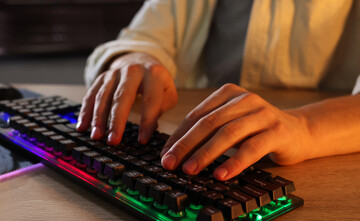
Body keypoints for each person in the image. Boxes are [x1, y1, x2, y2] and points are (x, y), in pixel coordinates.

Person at [76, 0, 360, 181]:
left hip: (326, 157)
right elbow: (143, 38)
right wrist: (132, 59)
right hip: (196, 128)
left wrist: (304, 127)